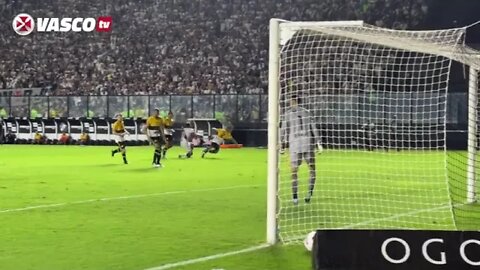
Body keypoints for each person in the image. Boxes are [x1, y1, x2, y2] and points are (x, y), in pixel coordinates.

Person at [281, 95, 320, 205]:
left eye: (291, 102)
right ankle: (308, 193)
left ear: (294, 102)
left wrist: (281, 144)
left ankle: (295, 197)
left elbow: (283, 130)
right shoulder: (307, 112)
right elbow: (314, 128)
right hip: (307, 144)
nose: (290, 104)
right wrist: (318, 142)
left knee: (294, 171)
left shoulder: (287, 114)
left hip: (295, 145)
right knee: (312, 170)